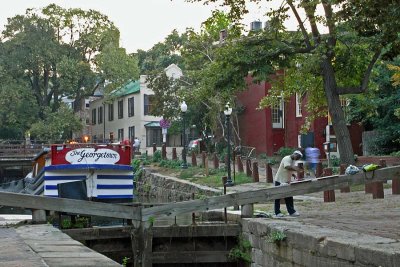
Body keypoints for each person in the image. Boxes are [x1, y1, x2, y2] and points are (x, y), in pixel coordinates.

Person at [274, 150, 303, 217]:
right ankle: (277, 212)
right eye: (297, 157)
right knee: (277, 196)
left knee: (289, 196)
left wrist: (293, 174)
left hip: (286, 180)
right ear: (294, 154)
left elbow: (289, 169)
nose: (297, 159)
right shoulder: (287, 158)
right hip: (280, 180)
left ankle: (291, 211)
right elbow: (287, 167)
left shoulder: (292, 161)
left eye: (298, 158)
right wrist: (297, 169)